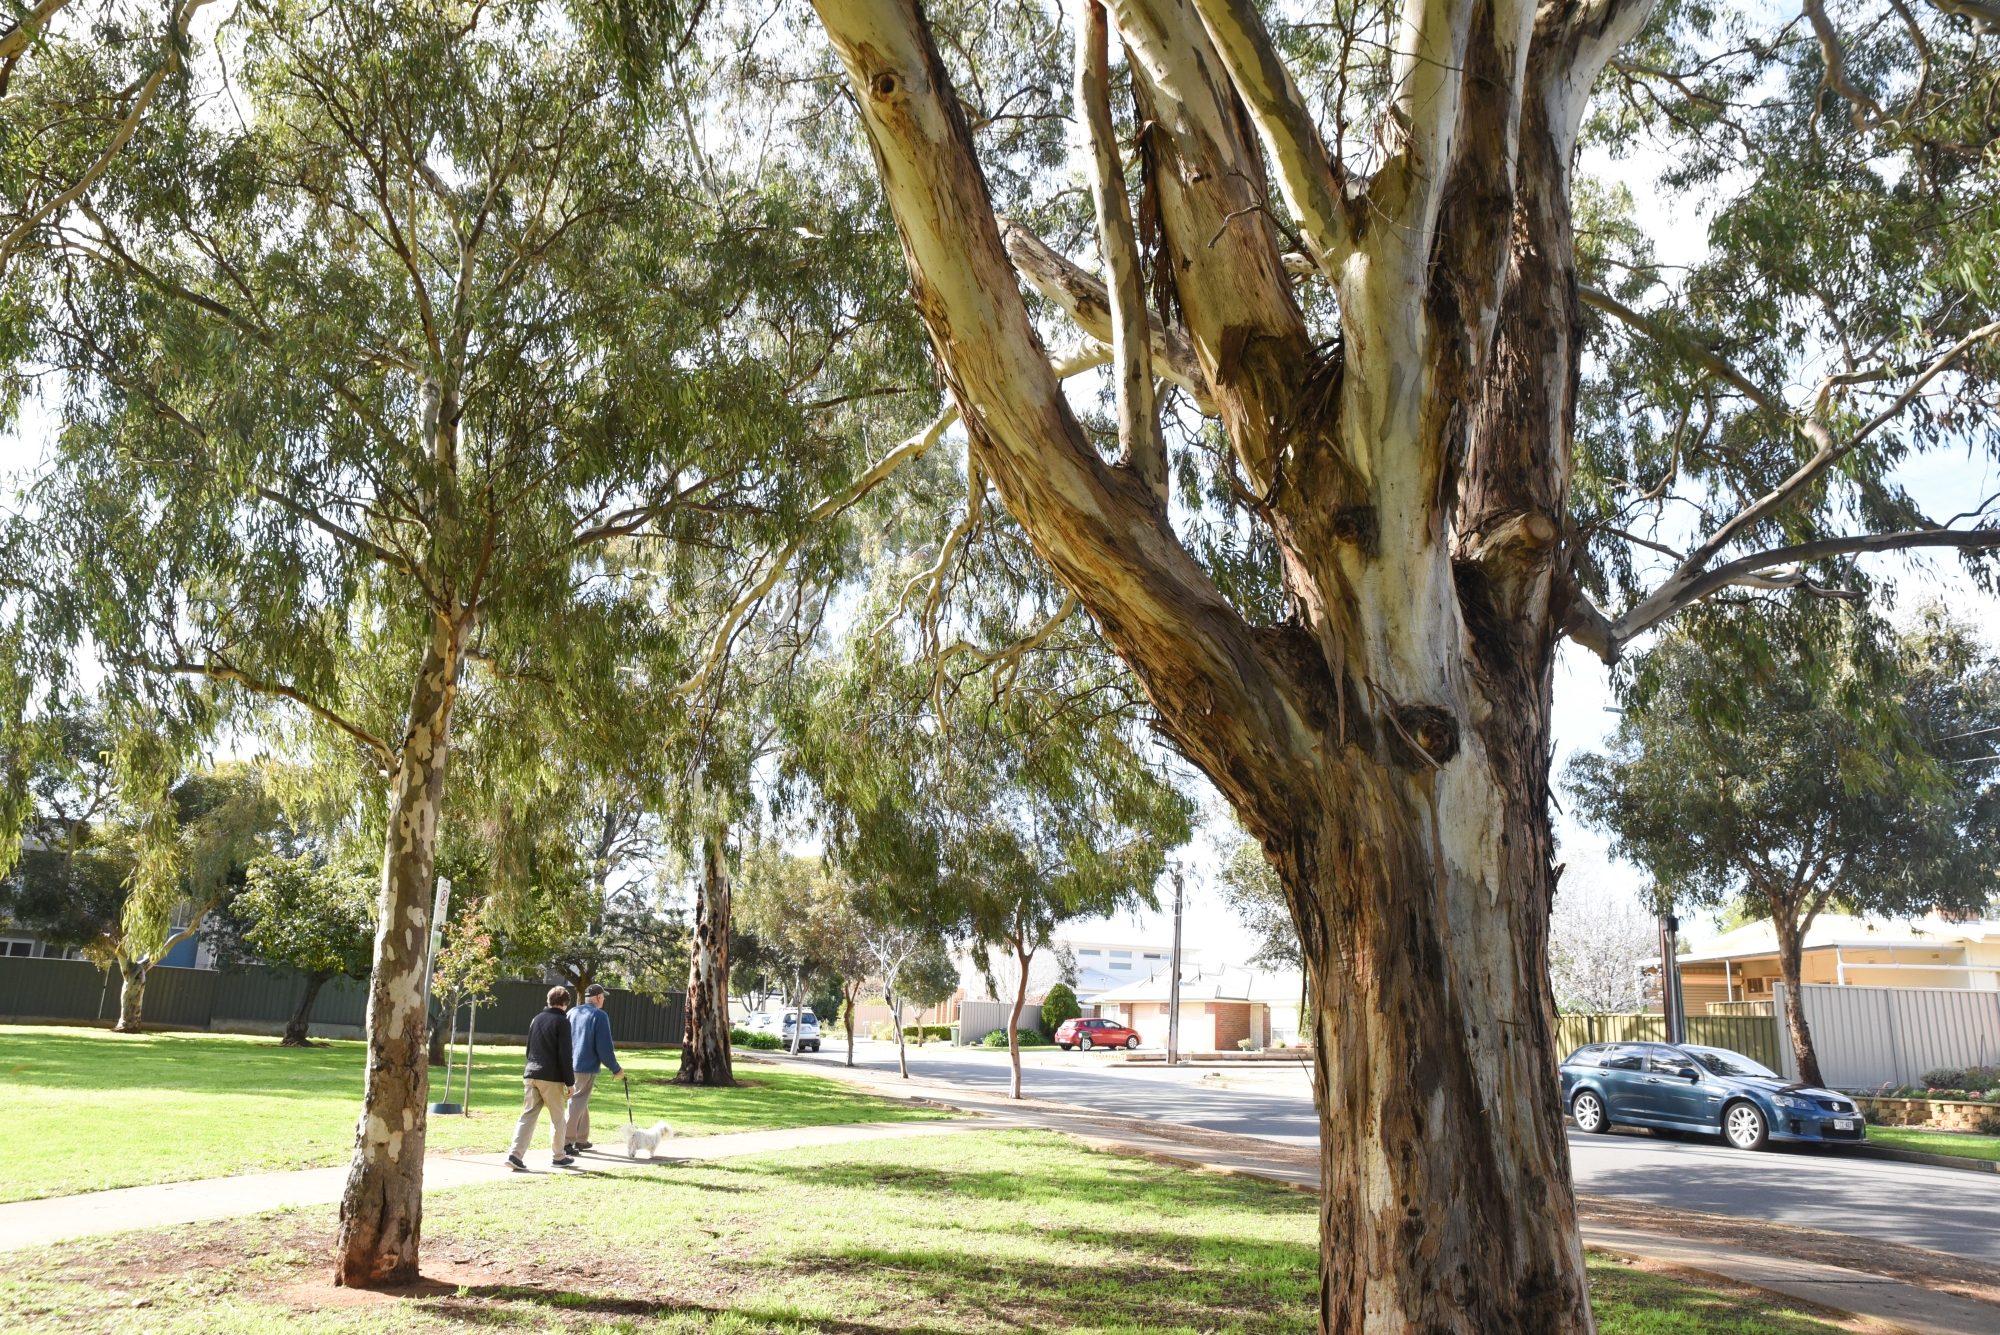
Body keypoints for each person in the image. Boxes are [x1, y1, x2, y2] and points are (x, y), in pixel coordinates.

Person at [506, 985, 576, 1171]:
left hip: (531, 1073)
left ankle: (515, 1155)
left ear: (548, 1001)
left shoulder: (536, 1019)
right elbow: (565, 1055)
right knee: (558, 1118)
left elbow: (529, 1049)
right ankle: (559, 1156)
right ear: (565, 1004)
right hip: (551, 1077)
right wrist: (570, 1082)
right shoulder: (562, 1022)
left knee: (527, 1116)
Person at [564, 982, 625, 1155]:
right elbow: (604, 1048)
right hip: (585, 1066)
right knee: (577, 1101)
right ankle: (566, 1141)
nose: (603, 1000)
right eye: (603, 997)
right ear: (598, 997)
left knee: (580, 1100)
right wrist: (616, 1069)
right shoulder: (600, 1015)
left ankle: (581, 1139)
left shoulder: (572, 1012)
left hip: (569, 1064)